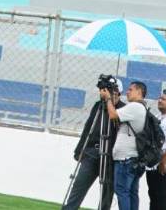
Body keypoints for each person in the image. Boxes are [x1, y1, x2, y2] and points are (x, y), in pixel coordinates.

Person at [63, 77, 122, 210]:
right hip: (91, 153)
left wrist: (109, 102)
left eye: (109, 91)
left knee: (107, 192)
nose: (104, 93)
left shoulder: (122, 108)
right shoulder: (98, 106)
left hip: (110, 157)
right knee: (78, 186)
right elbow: (88, 128)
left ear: (118, 92)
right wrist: (79, 150)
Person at [105, 80, 149, 210]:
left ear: (139, 92)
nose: (127, 92)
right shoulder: (141, 108)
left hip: (126, 159)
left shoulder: (135, 107)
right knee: (131, 193)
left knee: (122, 191)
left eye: (130, 90)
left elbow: (113, 115)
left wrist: (108, 99)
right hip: (133, 159)